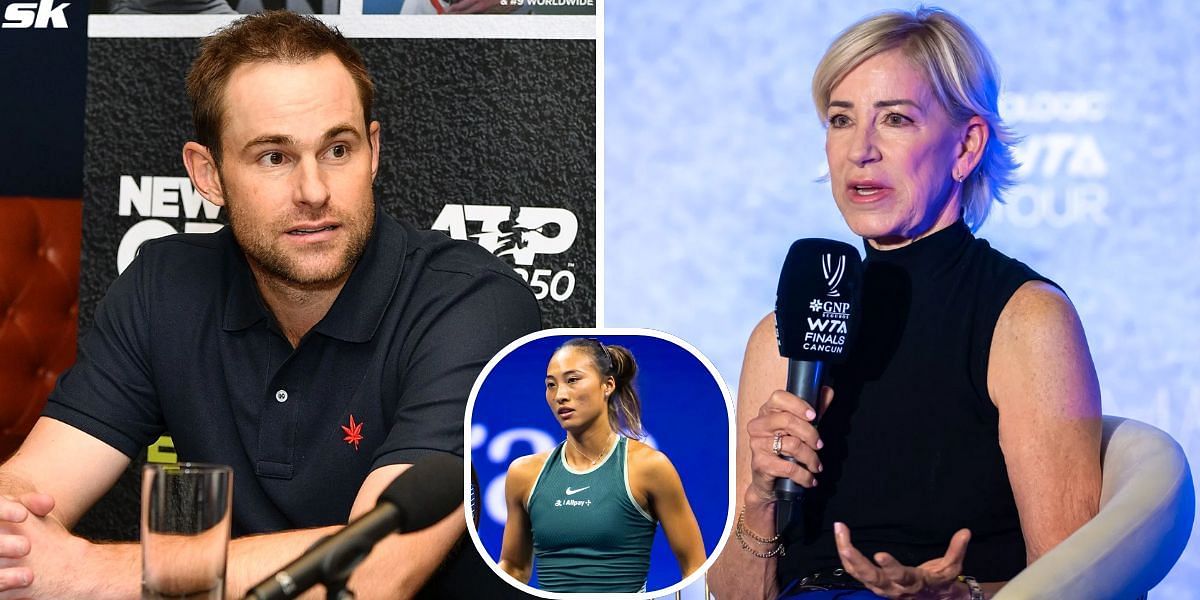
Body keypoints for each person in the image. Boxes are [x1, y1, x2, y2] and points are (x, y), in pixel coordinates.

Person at [0, 11, 541, 599]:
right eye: (274, 157)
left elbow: (373, 569)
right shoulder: (163, 284)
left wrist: (81, 573)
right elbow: (32, 489)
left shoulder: (474, 303)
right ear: (208, 175)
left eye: (338, 148)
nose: (314, 191)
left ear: (374, 151)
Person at [710, 7, 1101, 600]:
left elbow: (1082, 581)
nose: (860, 150)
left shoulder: (1024, 318)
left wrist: (956, 596)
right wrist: (761, 502)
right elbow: (734, 595)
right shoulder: (781, 336)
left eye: (895, 119)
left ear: (967, 145)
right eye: (841, 120)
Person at [497, 338, 706, 592]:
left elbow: (695, 567)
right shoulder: (524, 474)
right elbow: (514, 568)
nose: (560, 395)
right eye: (551, 385)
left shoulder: (650, 468)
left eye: (572, 380)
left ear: (607, 385)